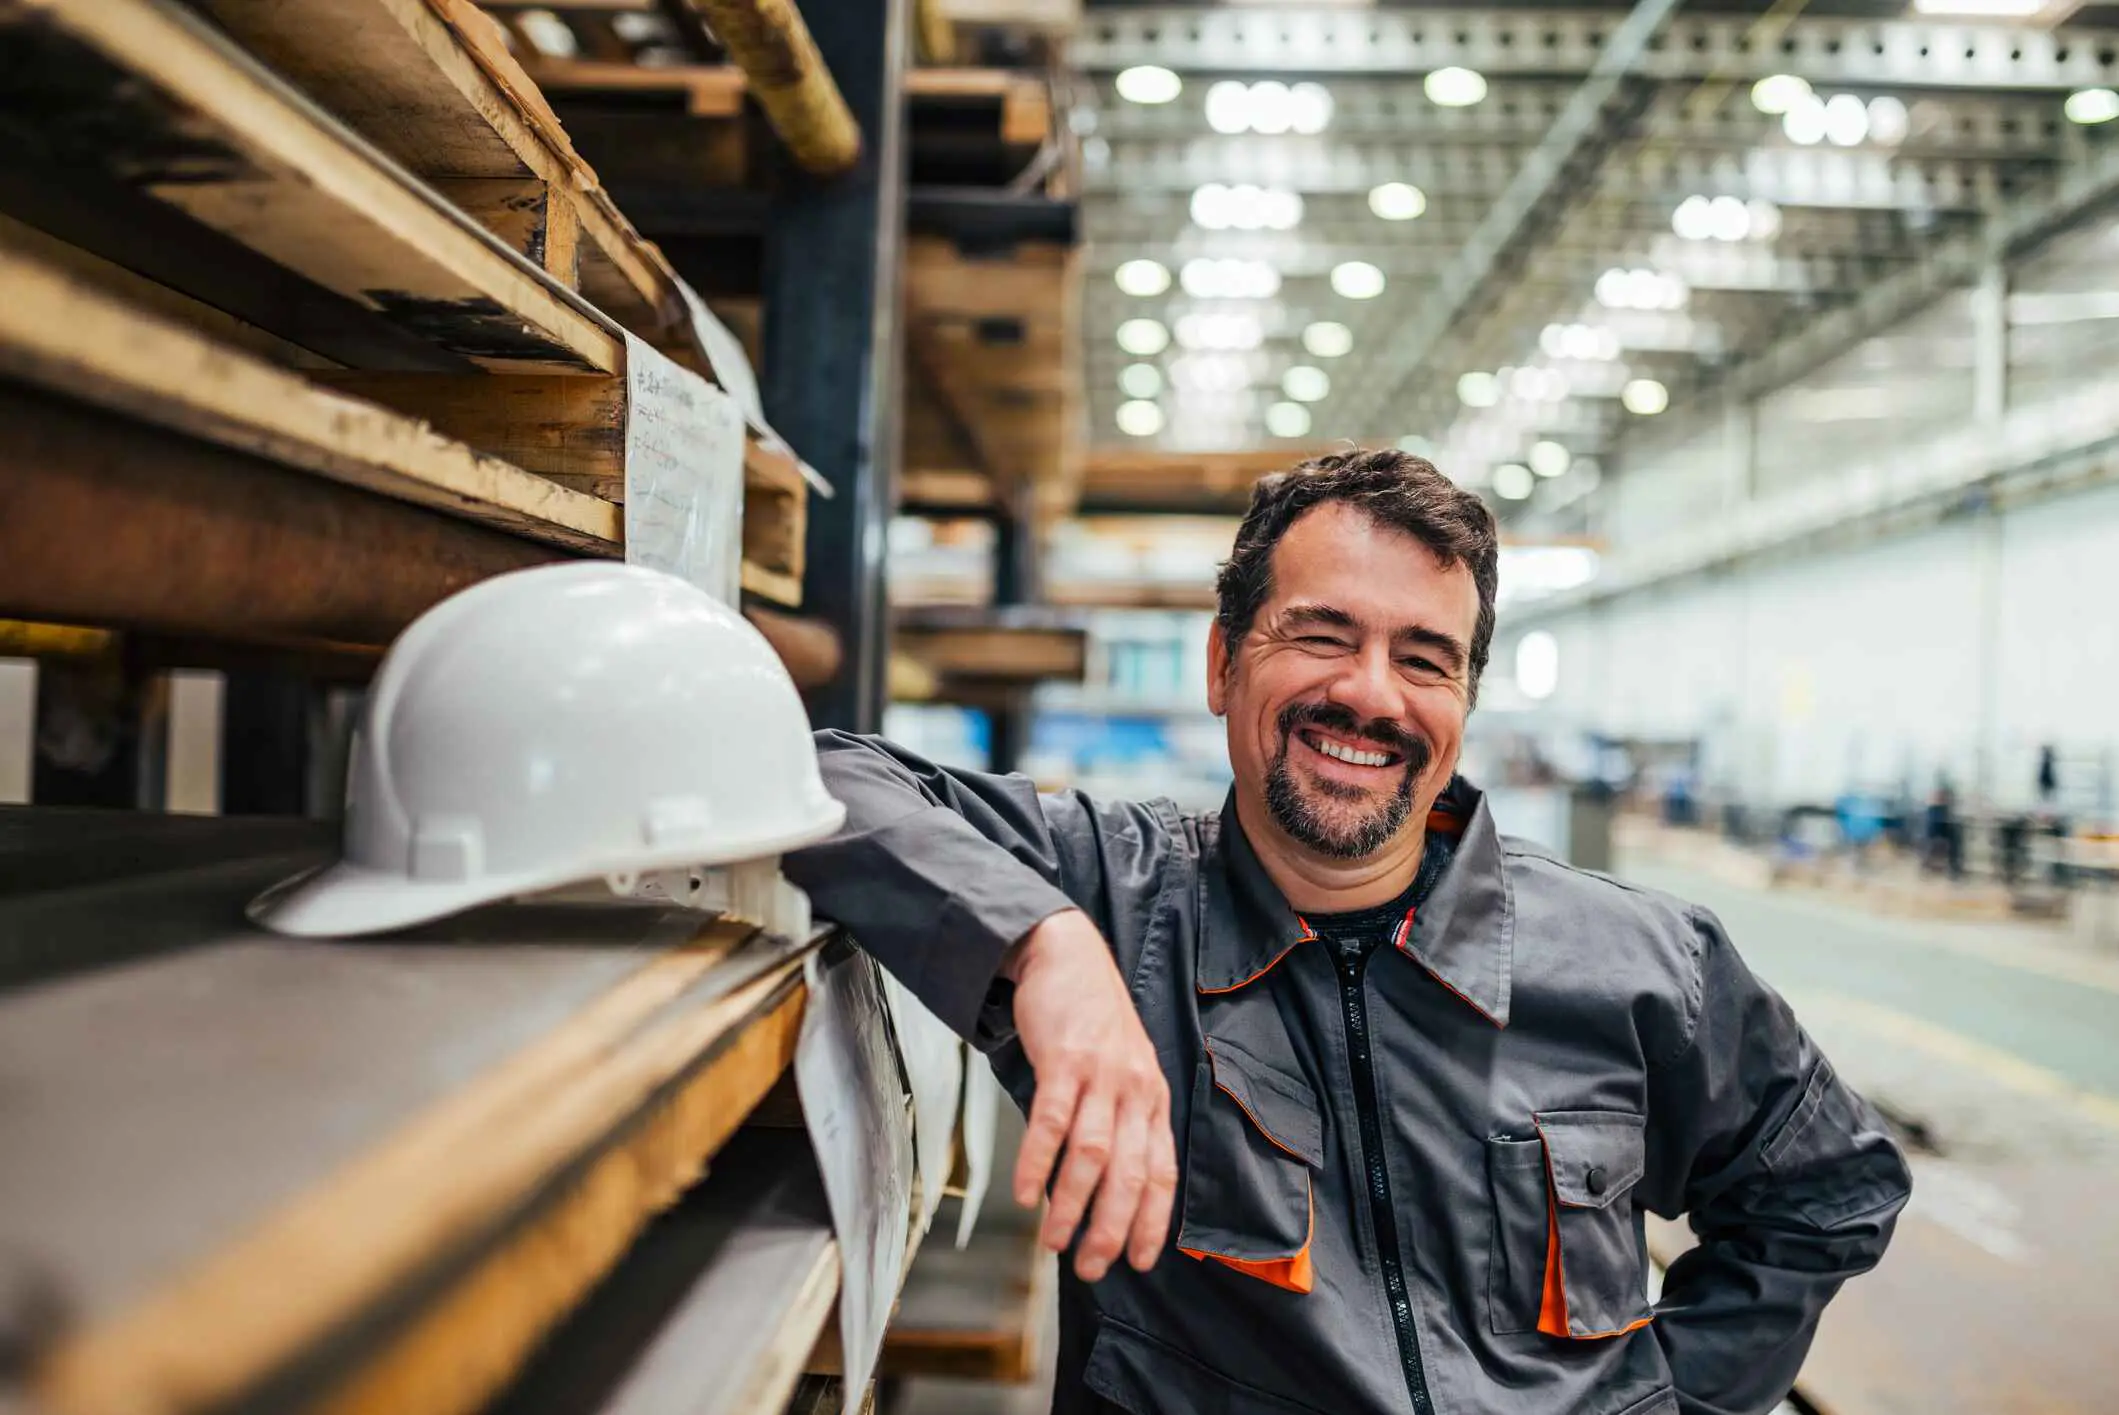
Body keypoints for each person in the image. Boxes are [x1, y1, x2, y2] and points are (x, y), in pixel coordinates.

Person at [785, 450, 1910, 1415]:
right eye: (1321, 634)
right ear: (1223, 664)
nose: (1370, 694)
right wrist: (1047, 946)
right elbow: (823, 771)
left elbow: (1826, 1191)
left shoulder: (1645, 963)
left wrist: (1667, 1397)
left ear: (1463, 697)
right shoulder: (1116, 897)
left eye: (1423, 657)